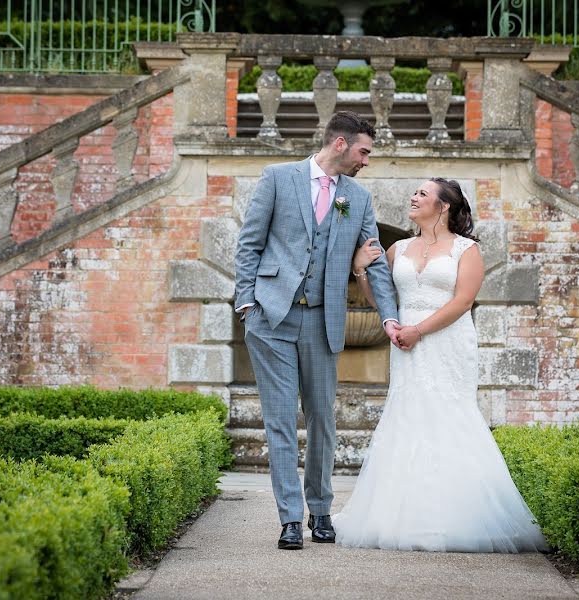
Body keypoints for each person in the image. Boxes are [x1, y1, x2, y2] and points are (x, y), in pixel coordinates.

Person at [333, 177, 549, 553]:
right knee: (408, 414)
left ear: (444, 205)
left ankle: (456, 515)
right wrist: (360, 270)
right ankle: (401, 514)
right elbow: (381, 298)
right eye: (413, 192)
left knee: (448, 414)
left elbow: (463, 301)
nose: (413, 197)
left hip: (447, 341)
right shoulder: (398, 248)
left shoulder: (466, 250)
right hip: (407, 346)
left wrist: (419, 329)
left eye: (421, 193)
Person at [234, 112, 401, 550]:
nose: (367, 161)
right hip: (271, 317)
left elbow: (375, 261)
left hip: (323, 318)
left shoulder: (358, 199)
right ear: (341, 143)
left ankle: (321, 510)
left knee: (323, 418)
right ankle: (290, 519)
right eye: (364, 151)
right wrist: (246, 302)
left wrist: (388, 316)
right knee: (280, 420)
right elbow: (249, 243)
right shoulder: (277, 178)